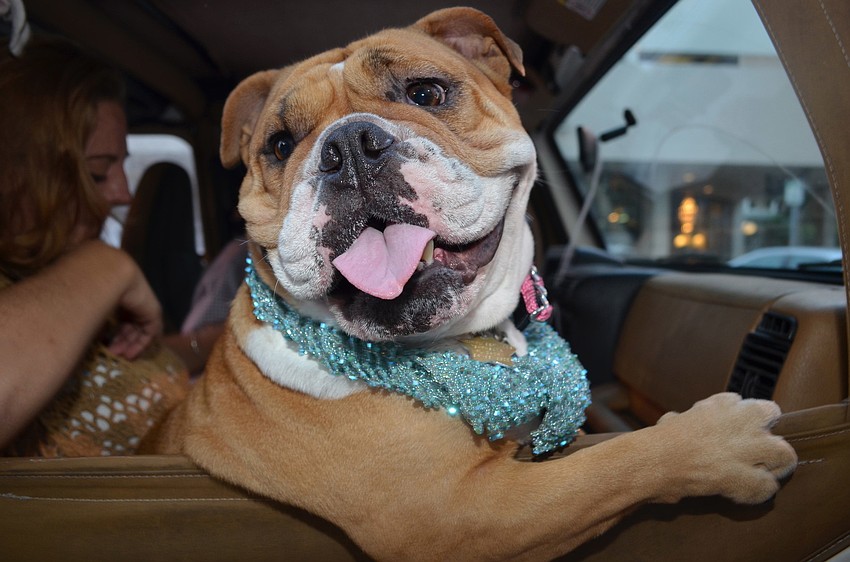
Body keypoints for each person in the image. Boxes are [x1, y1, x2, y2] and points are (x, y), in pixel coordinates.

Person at [0, 39, 188, 456]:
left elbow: (111, 362)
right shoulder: (88, 275)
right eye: (98, 173)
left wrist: (209, 343)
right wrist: (106, 265)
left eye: (122, 164)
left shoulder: (56, 278)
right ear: (14, 176)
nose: (122, 193)